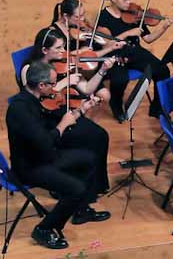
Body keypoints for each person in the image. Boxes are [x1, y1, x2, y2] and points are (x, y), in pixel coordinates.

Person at [7, 62, 110, 250]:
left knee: (89, 158)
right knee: (76, 188)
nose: (55, 88)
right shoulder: (20, 109)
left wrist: (81, 110)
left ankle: (80, 209)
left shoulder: (32, 100)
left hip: (42, 157)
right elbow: (46, 142)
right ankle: (44, 229)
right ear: (41, 85)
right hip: (29, 167)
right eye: (52, 84)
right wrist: (63, 125)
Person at [19, 28, 113, 197]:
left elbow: (86, 88)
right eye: (59, 48)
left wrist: (102, 71)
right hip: (44, 118)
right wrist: (64, 82)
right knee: (90, 137)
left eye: (64, 47)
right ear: (45, 50)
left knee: (100, 135)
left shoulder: (63, 64)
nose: (64, 52)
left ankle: (96, 184)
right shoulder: (29, 69)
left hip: (62, 111)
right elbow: (35, 99)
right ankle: (73, 186)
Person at [96, 0, 172, 120]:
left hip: (134, 52)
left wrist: (163, 27)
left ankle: (157, 108)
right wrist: (128, 33)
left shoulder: (134, 13)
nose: (129, 2)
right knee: (119, 80)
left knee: (162, 70)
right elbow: (106, 44)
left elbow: (148, 38)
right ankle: (116, 104)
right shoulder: (103, 17)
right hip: (115, 55)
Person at [49, 0, 126, 116]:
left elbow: (89, 56)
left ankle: (86, 109)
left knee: (106, 95)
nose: (82, 19)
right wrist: (80, 51)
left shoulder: (78, 30)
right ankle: (81, 112)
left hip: (82, 68)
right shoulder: (54, 34)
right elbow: (60, 57)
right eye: (77, 17)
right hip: (64, 73)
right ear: (65, 16)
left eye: (83, 14)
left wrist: (111, 48)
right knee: (101, 95)